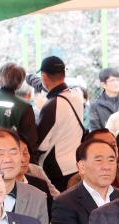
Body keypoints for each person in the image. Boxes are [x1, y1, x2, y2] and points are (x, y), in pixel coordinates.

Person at [52, 138, 119, 224]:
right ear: (82, 166)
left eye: (111, 160)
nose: (106, 167)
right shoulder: (65, 203)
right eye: (99, 160)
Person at [30, 56, 85, 191]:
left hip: (56, 172)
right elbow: (54, 89)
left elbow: (41, 145)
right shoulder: (77, 95)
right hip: (75, 165)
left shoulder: (51, 106)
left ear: (44, 77)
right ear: (64, 74)